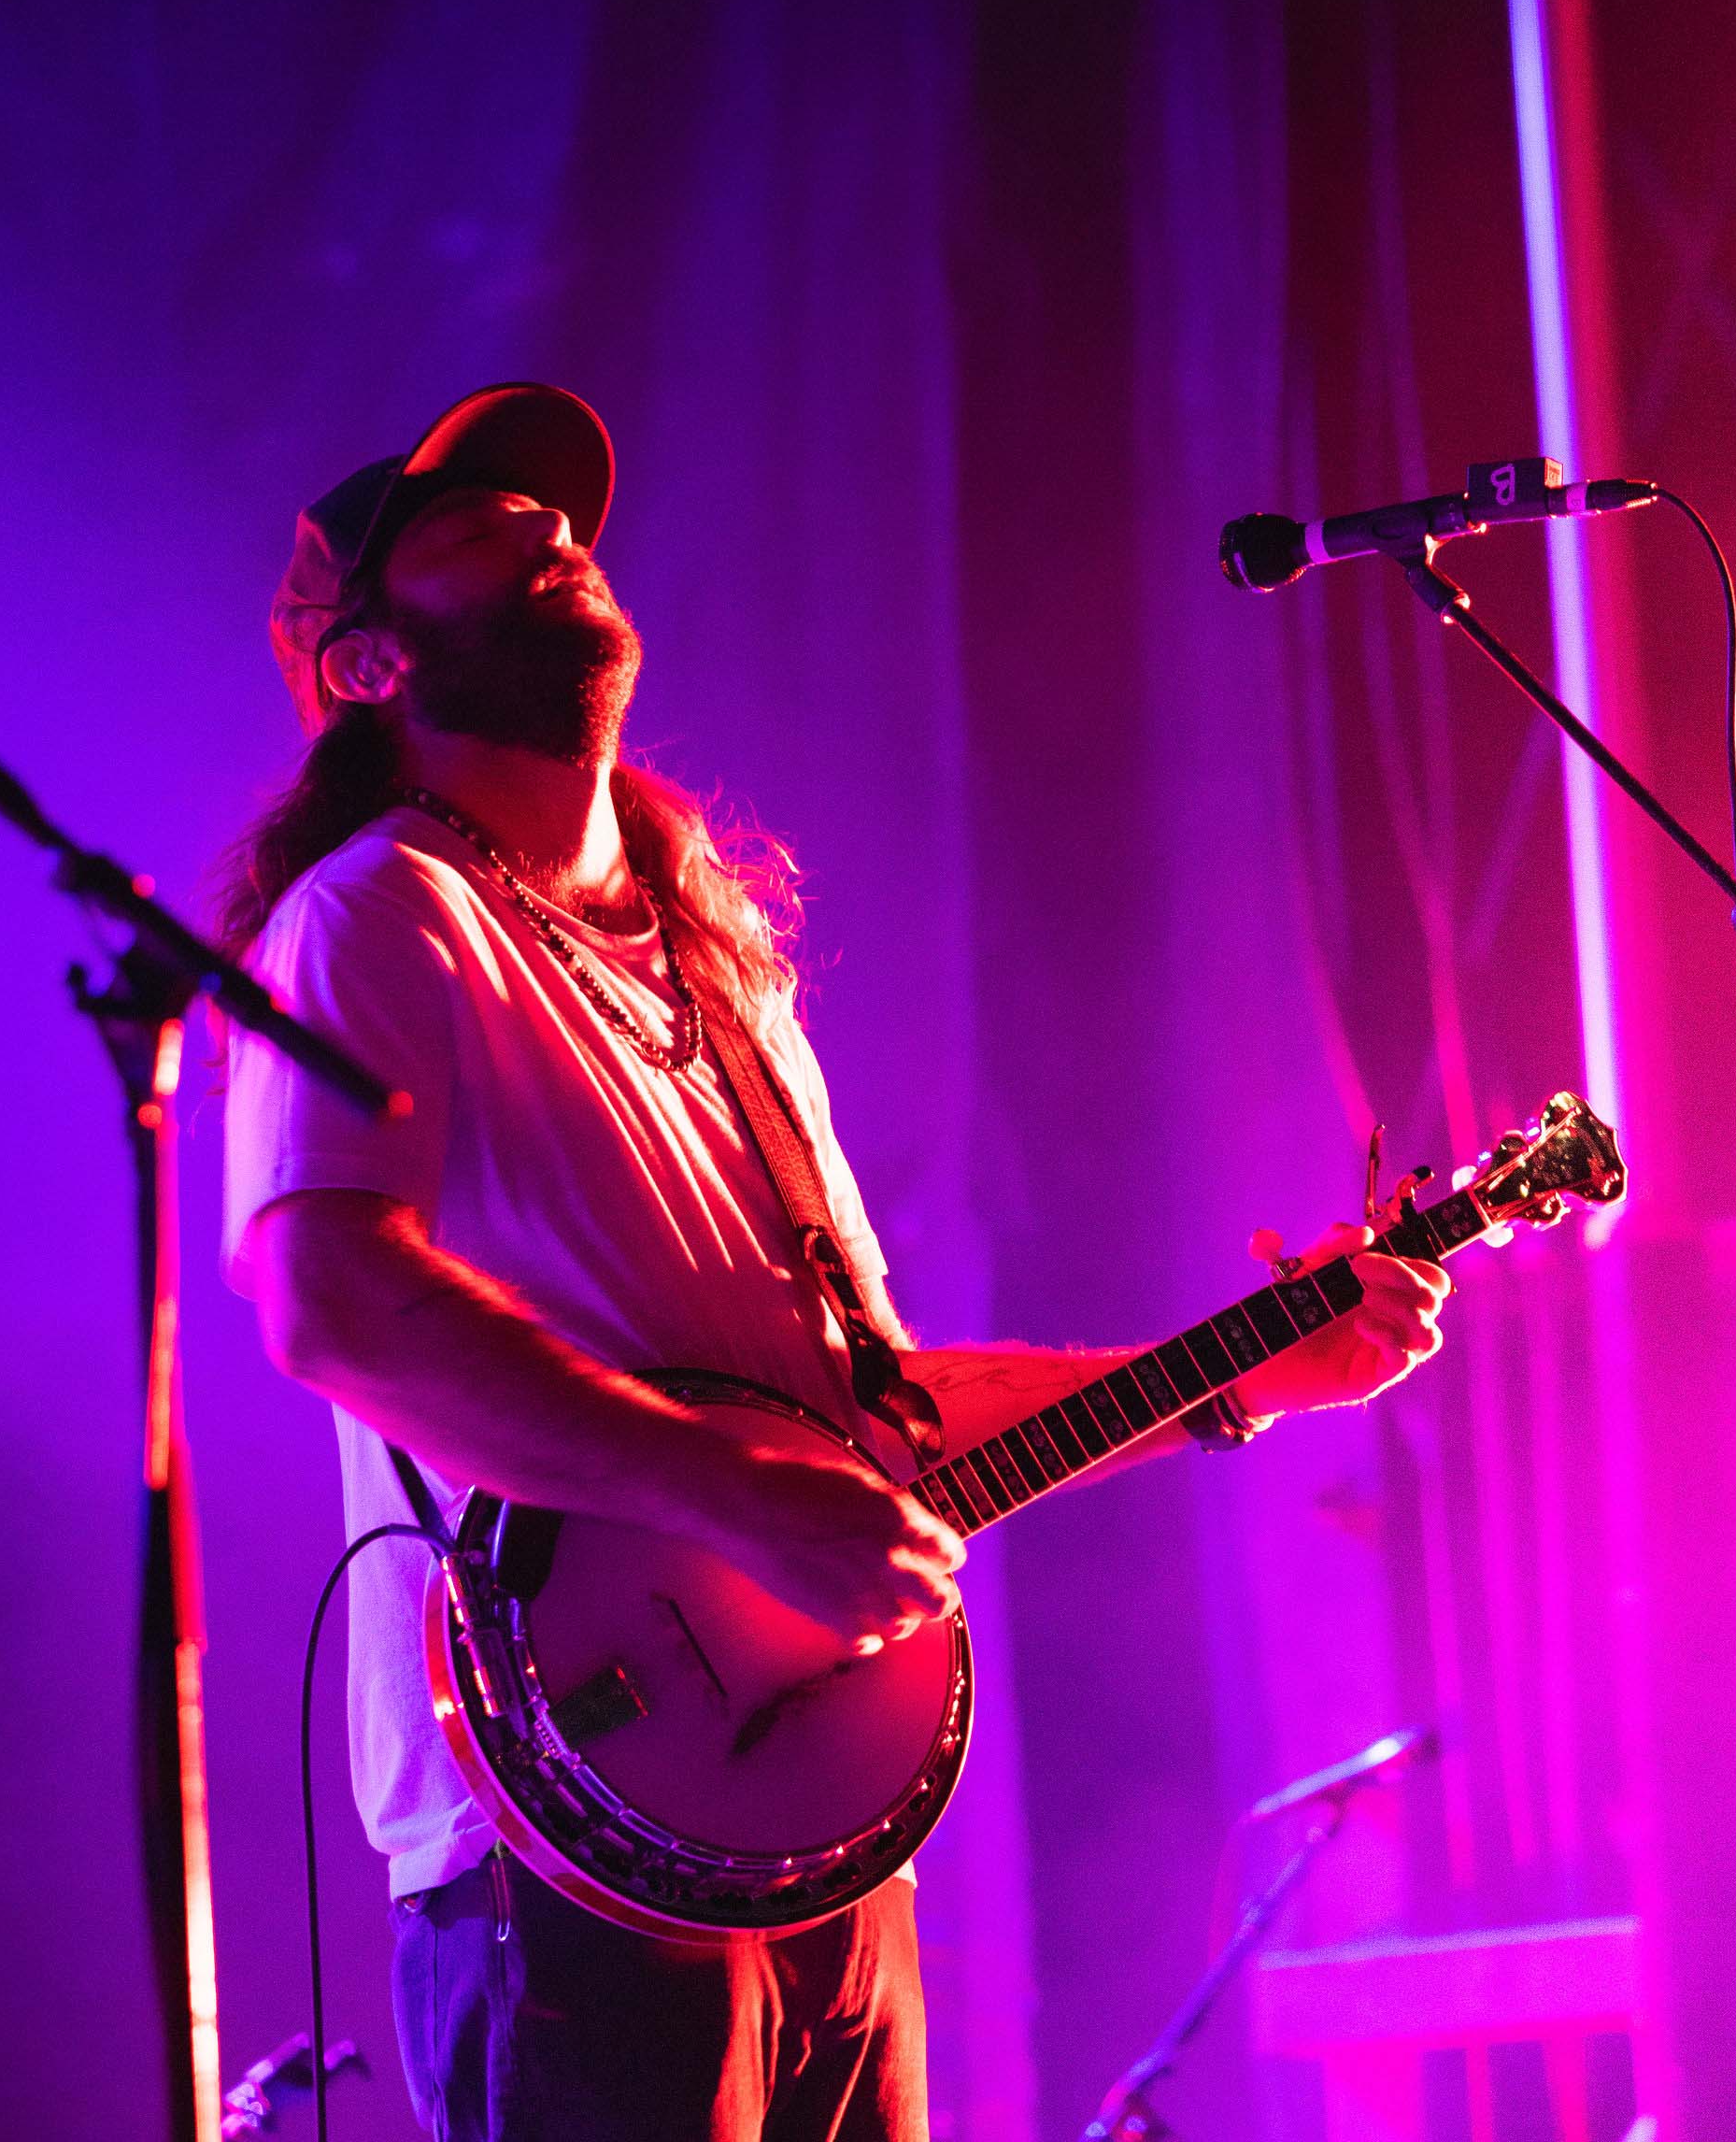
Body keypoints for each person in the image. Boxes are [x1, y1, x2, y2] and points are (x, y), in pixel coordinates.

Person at [220, 383, 1447, 2142]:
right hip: (563, 1840)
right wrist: (728, 1496)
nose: (554, 532)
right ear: (367, 664)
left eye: (558, 516)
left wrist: (1246, 1374)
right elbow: (328, 1303)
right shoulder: (378, 917)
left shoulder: (722, 973)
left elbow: (872, 1422)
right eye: (477, 528)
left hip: (808, 1841)